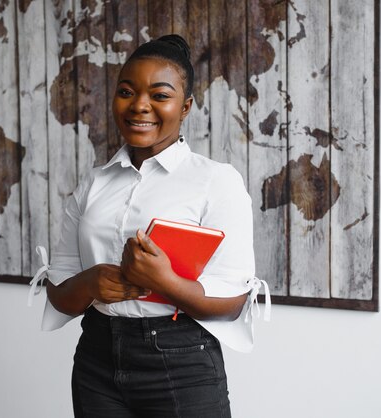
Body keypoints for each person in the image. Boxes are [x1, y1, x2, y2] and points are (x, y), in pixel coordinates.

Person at [28, 34, 270, 418]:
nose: (140, 105)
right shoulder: (93, 184)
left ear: (185, 106)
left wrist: (165, 281)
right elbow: (59, 295)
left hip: (181, 362)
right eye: (127, 91)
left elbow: (234, 302)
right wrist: (91, 283)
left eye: (160, 95)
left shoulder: (216, 181)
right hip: (97, 360)